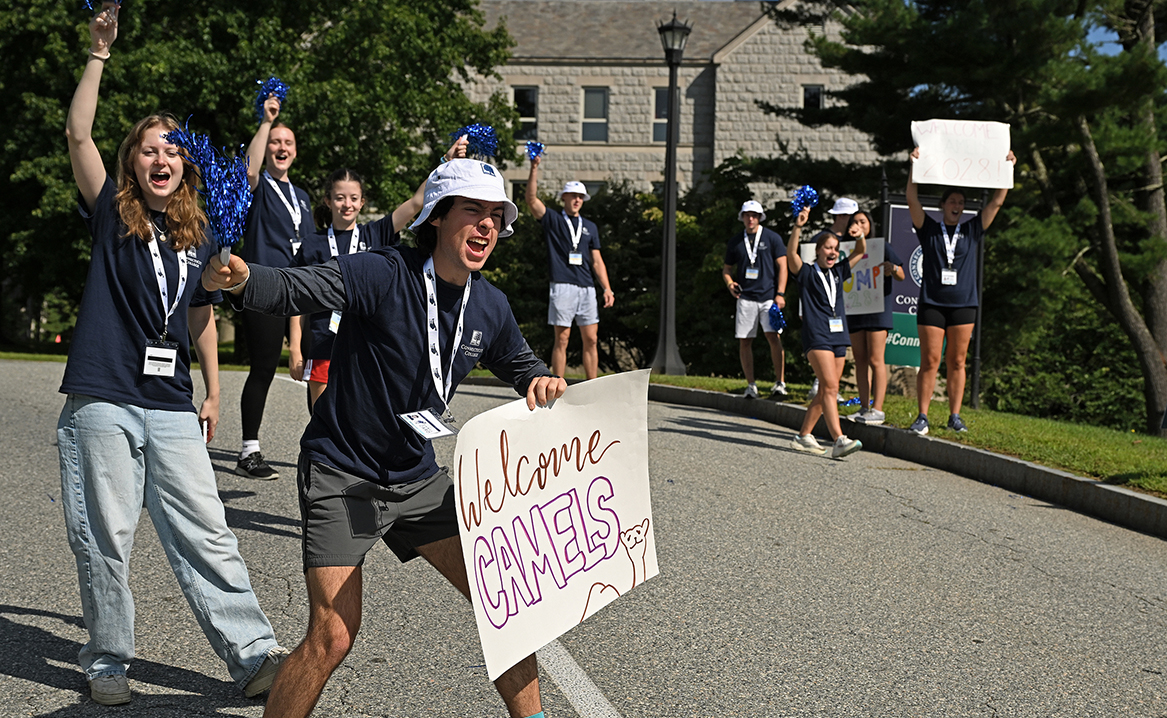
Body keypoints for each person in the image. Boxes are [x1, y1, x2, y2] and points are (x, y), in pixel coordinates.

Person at [201, 158, 567, 718]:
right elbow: (302, 286)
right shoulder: (383, 272)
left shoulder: (488, 305)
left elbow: (520, 361)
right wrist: (246, 279)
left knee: (507, 605)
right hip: (343, 474)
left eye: (497, 216)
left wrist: (539, 377)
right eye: (474, 211)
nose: (488, 226)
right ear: (439, 218)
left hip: (417, 478)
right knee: (333, 636)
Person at [58, 4, 285, 706]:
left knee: (207, 530)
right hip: (102, 395)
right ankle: (106, 661)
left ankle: (253, 656)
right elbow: (77, 133)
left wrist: (213, 392)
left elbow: (201, 315)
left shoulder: (197, 235)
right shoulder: (111, 212)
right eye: (150, 149)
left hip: (168, 402)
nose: (162, 159)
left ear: (185, 164)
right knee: (107, 536)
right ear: (135, 161)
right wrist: (99, 55)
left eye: (173, 150)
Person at [291, 139, 467, 410]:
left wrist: (446, 162)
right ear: (328, 201)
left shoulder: (375, 234)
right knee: (321, 417)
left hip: (366, 345)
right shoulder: (313, 244)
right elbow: (298, 300)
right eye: (339, 198)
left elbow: (417, 201)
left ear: (362, 202)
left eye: (353, 198)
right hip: (324, 343)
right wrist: (295, 348)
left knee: (359, 417)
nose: (346, 204)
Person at [906, 147, 1016, 435]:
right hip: (932, 302)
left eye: (961, 202)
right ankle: (922, 416)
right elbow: (911, 199)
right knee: (930, 361)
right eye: (952, 200)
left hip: (964, 303)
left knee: (957, 360)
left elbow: (997, 203)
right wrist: (914, 167)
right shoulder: (929, 228)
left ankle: (955, 415)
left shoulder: (972, 229)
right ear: (943, 205)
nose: (957, 205)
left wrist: (1008, 170)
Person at [234, 86, 314, 479]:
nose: (282, 147)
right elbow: (248, 168)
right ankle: (249, 449)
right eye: (276, 142)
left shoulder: (302, 195)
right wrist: (266, 121)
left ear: (296, 151)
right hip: (264, 286)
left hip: (301, 290)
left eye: (288, 142)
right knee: (264, 366)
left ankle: (327, 450)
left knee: (318, 368)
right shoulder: (259, 186)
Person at [786, 206, 866, 458]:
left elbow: (861, 251)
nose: (832, 252)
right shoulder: (807, 273)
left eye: (835, 248)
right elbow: (791, 254)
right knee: (830, 387)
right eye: (827, 248)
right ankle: (839, 440)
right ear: (818, 250)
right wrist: (798, 227)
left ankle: (803, 435)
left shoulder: (839, 271)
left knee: (826, 391)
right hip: (817, 334)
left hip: (838, 335)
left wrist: (859, 233)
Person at [524, 155, 614, 379]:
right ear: (564, 197)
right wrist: (534, 168)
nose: (577, 200)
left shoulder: (590, 226)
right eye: (573, 196)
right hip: (563, 285)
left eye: (581, 197)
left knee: (591, 339)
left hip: (586, 288)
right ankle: (558, 386)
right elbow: (531, 200)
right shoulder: (553, 219)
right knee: (562, 339)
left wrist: (607, 288)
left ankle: (592, 386)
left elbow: (597, 260)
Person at [721, 200, 788, 399]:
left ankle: (780, 382)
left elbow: (783, 266)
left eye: (755, 215)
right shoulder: (736, 241)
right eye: (747, 215)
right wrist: (730, 283)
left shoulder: (772, 238)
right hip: (745, 297)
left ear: (760, 217)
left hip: (769, 297)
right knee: (745, 340)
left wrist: (781, 293)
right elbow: (726, 269)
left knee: (773, 337)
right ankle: (751, 384)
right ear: (742, 217)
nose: (751, 219)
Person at [844, 210, 905, 425]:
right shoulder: (847, 250)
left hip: (878, 308)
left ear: (870, 225)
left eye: (863, 221)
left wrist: (893, 268)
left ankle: (878, 409)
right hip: (855, 308)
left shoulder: (882, 246)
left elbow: (901, 274)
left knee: (876, 359)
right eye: (854, 222)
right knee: (860, 359)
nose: (858, 225)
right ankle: (863, 407)